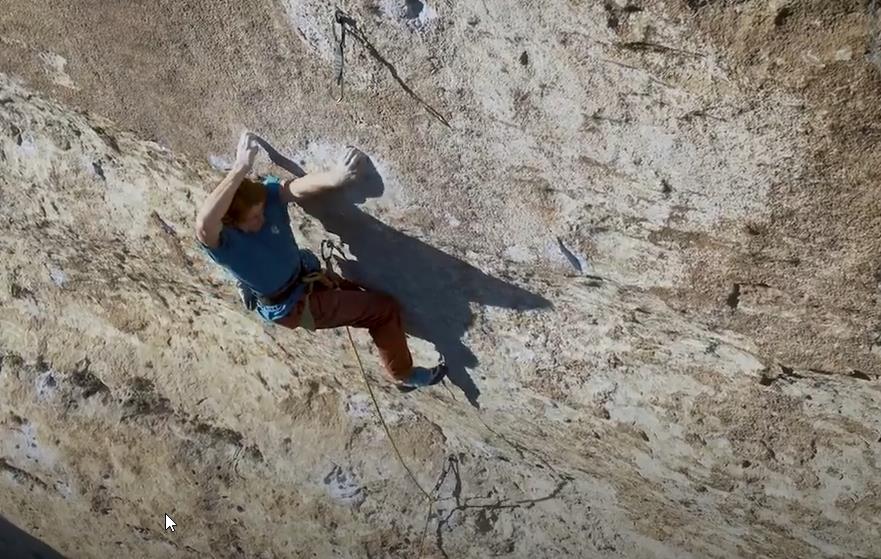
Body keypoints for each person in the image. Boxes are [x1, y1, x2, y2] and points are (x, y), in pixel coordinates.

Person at [194, 132, 446, 390]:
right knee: (383, 309)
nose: (261, 220)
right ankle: (403, 375)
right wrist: (240, 167)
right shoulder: (225, 243)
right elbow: (203, 225)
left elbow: (294, 188)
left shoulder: (263, 200)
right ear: (232, 223)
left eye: (259, 212)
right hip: (295, 305)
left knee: (366, 299)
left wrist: (336, 178)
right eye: (252, 219)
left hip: (306, 274)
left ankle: (390, 337)